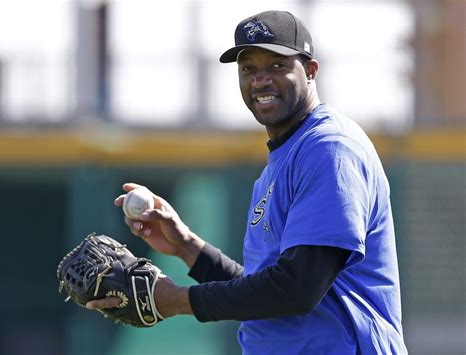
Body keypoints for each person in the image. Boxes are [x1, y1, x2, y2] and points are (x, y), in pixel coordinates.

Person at [87, 10, 408, 354]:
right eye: (248, 69)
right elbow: (263, 294)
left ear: (311, 70)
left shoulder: (329, 149)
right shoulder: (283, 160)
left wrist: (176, 300)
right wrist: (186, 247)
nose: (260, 80)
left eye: (276, 65)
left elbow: (298, 288)